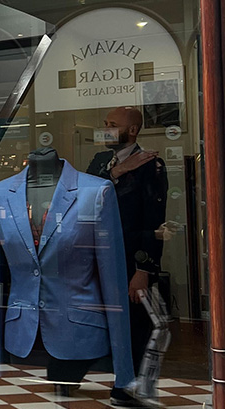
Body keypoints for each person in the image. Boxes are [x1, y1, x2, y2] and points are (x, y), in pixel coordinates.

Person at [86, 106, 168, 380]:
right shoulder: (100, 161)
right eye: (105, 123)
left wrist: (143, 270)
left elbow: (153, 222)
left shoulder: (150, 165)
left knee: (134, 326)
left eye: (112, 124)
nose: (105, 129)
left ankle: (129, 386)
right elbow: (85, 198)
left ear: (132, 130)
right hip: (97, 258)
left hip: (130, 258)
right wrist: (118, 171)